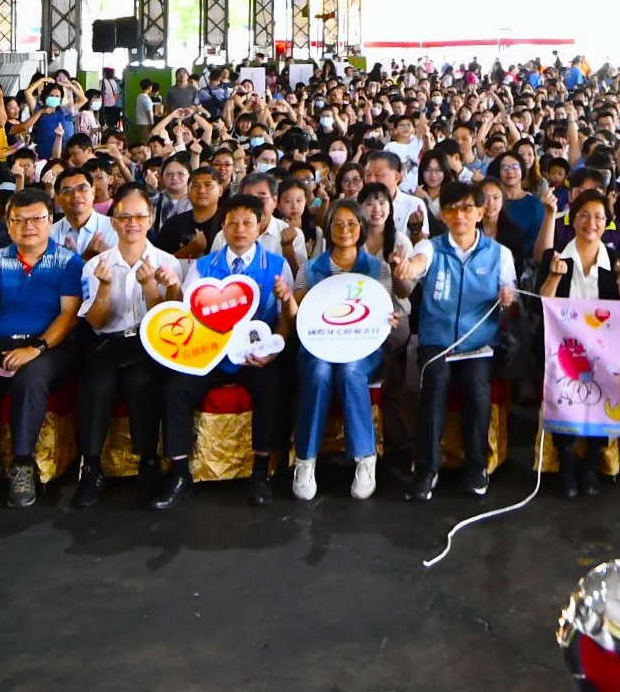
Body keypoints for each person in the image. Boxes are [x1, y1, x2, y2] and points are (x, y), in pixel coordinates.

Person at [0, 189, 84, 511]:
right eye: (19, 220)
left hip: (49, 348)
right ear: (8, 224)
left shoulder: (69, 261)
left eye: (37, 218)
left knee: (30, 378)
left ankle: (23, 463)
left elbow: (69, 315)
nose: (28, 226)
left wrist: (35, 348)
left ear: (50, 221)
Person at [165, 194, 293, 507]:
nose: (240, 229)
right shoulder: (204, 266)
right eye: (232, 222)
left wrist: (272, 351)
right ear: (222, 225)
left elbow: (285, 320)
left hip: (254, 355)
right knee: (174, 389)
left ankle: (261, 472)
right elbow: (188, 315)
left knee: (273, 385)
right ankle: (179, 474)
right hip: (211, 355)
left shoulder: (276, 266)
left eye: (248, 222)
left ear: (260, 226)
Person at [69, 184, 184, 507]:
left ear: (150, 218)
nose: (132, 223)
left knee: (142, 381)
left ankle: (148, 462)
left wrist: (151, 287)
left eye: (140, 217)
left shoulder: (168, 263)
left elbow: (170, 322)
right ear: (114, 222)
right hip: (109, 342)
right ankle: (91, 467)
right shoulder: (96, 265)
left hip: (150, 343)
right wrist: (105, 288)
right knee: (96, 384)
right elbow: (96, 322)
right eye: (124, 217)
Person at [408, 180, 517, 501]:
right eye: (452, 209)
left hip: (479, 345)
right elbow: (417, 264)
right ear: (442, 214)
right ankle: (426, 469)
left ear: (480, 213)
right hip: (437, 343)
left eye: (467, 208)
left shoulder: (500, 254)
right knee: (435, 382)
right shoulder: (430, 248)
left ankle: (476, 466)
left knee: (476, 386)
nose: (460, 215)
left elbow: (511, 301)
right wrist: (408, 267)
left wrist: (507, 300)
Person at [536, 190, 620, 498]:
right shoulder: (555, 258)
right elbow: (540, 306)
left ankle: (592, 460)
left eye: (599, 217)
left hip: (603, 351)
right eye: (584, 216)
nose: (591, 223)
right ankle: (566, 460)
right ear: (572, 219)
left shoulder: (615, 261)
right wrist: (554, 278)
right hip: (561, 350)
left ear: (607, 223)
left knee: (607, 383)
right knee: (563, 386)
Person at [290, 199, 390, 502]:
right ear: (328, 227)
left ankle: (365, 459)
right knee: (319, 371)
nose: (345, 230)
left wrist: (390, 319)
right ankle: (305, 461)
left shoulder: (378, 268)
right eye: (337, 223)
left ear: (361, 228)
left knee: (350, 370)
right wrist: (286, 299)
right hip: (317, 348)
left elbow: (382, 314)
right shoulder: (310, 268)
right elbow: (299, 315)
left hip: (363, 350)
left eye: (351, 223)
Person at [50, 169, 118, 258]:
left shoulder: (114, 228)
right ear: (58, 198)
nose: (75, 195)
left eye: (82, 189)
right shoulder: (50, 234)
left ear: (93, 191)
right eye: (68, 191)